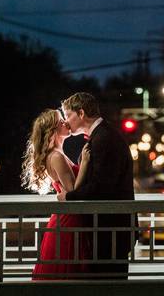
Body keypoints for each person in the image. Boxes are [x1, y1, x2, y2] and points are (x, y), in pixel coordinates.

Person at [58, 92, 134, 279]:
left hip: (109, 230)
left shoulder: (104, 138)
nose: (66, 121)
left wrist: (68, 196)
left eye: (68, 115)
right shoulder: (103, 134)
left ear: (81, 113)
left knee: (106, 285)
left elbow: (101, 187)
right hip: (108, 229)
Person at [22, 108, 92, 280]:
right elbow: (72, 191)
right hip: (69, 220)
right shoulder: (56, 157)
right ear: (52, 130)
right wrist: (84, 163)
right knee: (68, 267)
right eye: (61, 121)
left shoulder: (56, 154)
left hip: (67, 217)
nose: (65, 122)